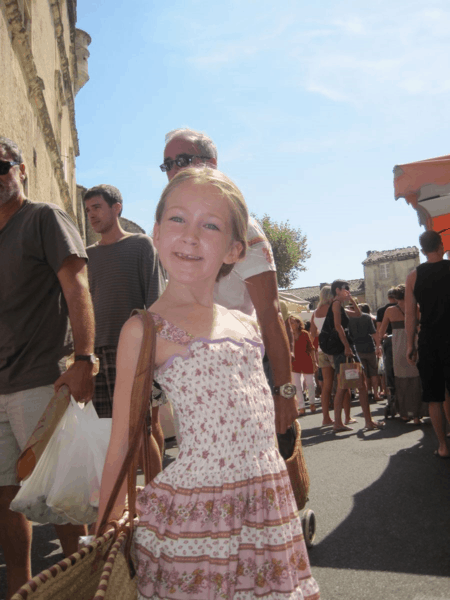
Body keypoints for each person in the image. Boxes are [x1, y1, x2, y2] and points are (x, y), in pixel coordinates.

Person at [96, 167, 320, 600]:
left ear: (236, 249)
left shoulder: (245, 323)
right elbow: (121, 444)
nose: (191, 235)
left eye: (211, 224)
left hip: (267, 505)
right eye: (178, 219)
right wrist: (104, 531)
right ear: (157, 234)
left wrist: (287, 395)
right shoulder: (146, 331)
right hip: (200, 519)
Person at [0, 136, 96, 598]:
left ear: (21, 169)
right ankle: (21, 588)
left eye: (1, 166)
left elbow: (77, 286)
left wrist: (83, 359)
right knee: (5, 496)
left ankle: (80, 582)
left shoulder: (43, 218)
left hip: (42, 378)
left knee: (60, 495)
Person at [161, 128, 297, 433]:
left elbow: (271, 314)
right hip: (194, 382)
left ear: (211, 163)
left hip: (242, 375)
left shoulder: (242, 228)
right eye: (167, 164)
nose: (173, 170)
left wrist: (285, 393)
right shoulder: (174, 232)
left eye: (182, 160)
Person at [84, 184, 165, 475]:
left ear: (116, 207)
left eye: (97, 207)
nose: (91, 215)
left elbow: (155, 301)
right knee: (112, 437)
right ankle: (126, 506)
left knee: (141, 433)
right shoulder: (87, 256)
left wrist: (152, 353)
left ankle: (158, 504)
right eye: (88, 209)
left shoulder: (141, 245)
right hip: (97, 355)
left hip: (134, 353)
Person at [405, 230, 450, 458]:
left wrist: (410, 345)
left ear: (422, 251)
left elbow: (411, 315)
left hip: (429, 339)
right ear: (441, 246)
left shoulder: (414, 276)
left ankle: (443, 445)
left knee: (434, 396)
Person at [327, 280, 384, 432]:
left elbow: (358, 314)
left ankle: (357, 421)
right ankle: (354, 422)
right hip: (344, 348)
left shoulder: (339, 305)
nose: (348, 291)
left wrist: (351, 298)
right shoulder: (336, 304)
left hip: (345, 348)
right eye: (346, 289)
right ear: (338, 290)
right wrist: (346, 346)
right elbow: (338, 326)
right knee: (348, 385)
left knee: (353, 385)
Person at [378, 285, 425, 424]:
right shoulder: (416, 308)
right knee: (417, 380)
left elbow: (381, 332)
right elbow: (420, 327)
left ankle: (404, 414)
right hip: (414, 344)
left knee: (401, 381)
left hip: (397, 347)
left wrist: (383, 339)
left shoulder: (390, 310)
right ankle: (417, 416)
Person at [310, 286, 335, 426]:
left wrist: (322, 333)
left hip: (321, 349)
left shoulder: (316, 312)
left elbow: (313, 333)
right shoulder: (334, 309)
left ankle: (326, 418)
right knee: (341, 383)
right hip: (336, 348)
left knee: (326, 385)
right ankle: (344, 417)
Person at [348, 303, 380, 402]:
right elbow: (374, 333)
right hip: (369, 346)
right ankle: (376, 393)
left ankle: (367, 392)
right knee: (374, 372)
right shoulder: (366, 317)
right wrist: (378, 346)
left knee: (363, 373)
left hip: (357, 348)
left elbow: (349, 335)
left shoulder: (350, 319)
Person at [290, 317, 317, 416]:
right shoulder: (288, 335)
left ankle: (312, 403)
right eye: (290, 322)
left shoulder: (305, 333)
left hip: (307, 361)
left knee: (310, 383)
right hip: (294, 363)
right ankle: (301, 407)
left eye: (293, 322)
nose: (292, 324)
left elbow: (311, 348)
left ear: (298, 323)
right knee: (297, 386)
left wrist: (314, 361)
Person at [376, 288, 397, 399]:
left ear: (388, 297)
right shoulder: (405, 307)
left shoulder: (381, 310)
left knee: (389, 368)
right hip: (404, 338)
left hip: (388, 341)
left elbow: (379, 330)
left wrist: (378, 345)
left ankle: (392, 393)